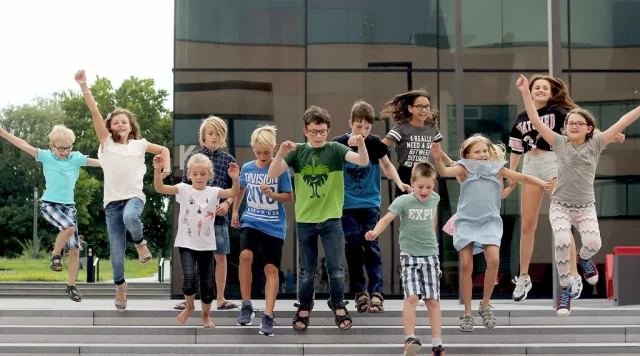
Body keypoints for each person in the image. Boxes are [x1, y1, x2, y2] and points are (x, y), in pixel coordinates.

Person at [516, 74, 640, 316]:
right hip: (560, 206)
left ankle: (584, 259)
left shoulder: (597, 143)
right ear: (565, 127)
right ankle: (566, 291)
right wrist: (523, 92)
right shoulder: (559, 143)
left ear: (589, 128)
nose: (573, 126)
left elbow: (624, 120)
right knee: (562, 241)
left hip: (585, 207)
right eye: (570, 123)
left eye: (579, 123)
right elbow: (534, 119)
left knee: (594, 244)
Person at [75, 69, 172, 311]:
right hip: (111, 205)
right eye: (115, 122)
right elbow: (95, 112)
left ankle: (140, 242)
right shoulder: (105, 144)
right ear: (109, 127)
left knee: (131, 217)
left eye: (124, 122)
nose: (120, 124)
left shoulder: (140, 145)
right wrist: (84, 85)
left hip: (134, 197)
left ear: (131, 127)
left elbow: (165, 150)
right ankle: (120, 287)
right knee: (116, 251)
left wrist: (165, 169)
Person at [268, 105, 370, 331]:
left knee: (335, 268)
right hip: (305, 220)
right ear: (305, 131)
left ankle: (337, 302)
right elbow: (273, 174)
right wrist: (281, 153)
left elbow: (362, 161)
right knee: (306, 270)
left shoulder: (335, 149)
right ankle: (304, 305)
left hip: (331, 218)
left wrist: (361, 143)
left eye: (322, 131)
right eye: (313, 131)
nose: (318, 136)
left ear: (328, 130)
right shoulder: (297, 152)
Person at [431, 136, 547, 332]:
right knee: (466, 265)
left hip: (489, 222)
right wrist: (437, 158)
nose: (482, 154)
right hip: (467, 221)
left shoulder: (497, 169)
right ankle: (467, 313)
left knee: (493, 260)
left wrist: (542, 183)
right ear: (467, 155)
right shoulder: (463, 168)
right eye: (477, 152)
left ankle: (485, 304)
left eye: (485, 151)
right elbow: (443, 171)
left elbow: (523, 178)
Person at [0, 125, 100, 301]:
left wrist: (118, 161)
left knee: (75, 248)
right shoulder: (46, 156)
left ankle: (71, 286)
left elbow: (98, 162)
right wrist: (3, 133)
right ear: (52, 146)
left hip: (70, 207)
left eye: (68, 147)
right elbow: (23, 145)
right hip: (50, 204)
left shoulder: (75, 158)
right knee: (68, 227)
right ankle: (55, 256)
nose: (65, 152)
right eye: (61, 148)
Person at [365, 162, 445, 356]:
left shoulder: (435, 198)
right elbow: (386, 219)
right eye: (420, 187)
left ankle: (437, 343)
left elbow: (433, 220)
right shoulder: (403, 202)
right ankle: (410, 338)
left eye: (429, 187)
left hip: (431, 256)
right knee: (411, 297)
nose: (425, 191)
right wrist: (374, 233)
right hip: (409, 255)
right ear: (412, 183)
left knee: (432, 301)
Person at [154, 153, 239, 327]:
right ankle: (190, 307)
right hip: (186, 244)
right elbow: (160, 188)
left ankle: (206, 316)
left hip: (206, 246)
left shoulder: (214, 192)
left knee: (207, 286)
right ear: (189, 174)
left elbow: (234, 192)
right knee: (190, 278)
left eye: (203, 174)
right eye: (195, 174)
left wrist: (235, 178)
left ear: (209, 175)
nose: (199, 177)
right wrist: (157, 169)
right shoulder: (183, 189)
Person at [231, 125, 293, 336]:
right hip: (252, 221)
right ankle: (246, 304)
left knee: (271, 269)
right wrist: (235, 212)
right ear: (253, 149)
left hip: (274, 225)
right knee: (245, 255)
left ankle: (268, 314)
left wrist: (272, 194)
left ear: (275, 148)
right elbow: (239, 190)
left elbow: (288, 196)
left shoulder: (281, 168)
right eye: (258, 152)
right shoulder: (248, 168)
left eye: (267, 152)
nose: (262, 156)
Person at [175, 116, 238, 311]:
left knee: (220, 256)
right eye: (210, 133)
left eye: (218, 134)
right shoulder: (192, 158)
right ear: (203, 136)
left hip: (218, 218)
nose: (214, 137)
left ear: (223, 137)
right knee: (192, 256)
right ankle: (190, 300)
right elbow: (185, 189)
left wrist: (227, 203)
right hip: (194, 219)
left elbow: (235, 190)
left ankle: (220, 298)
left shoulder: (229, 160)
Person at [381, 90, 454, 197]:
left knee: (426, 207)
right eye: (419, 107)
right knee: (405, 208)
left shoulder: (432, 128)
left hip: (425, 173)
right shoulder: (401, 128)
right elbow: (379, 148)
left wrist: (450, 162)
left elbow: (438, 151)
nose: (424, 110)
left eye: (427, 107)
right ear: (410, 108)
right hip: (406, 174)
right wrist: (386, 169)